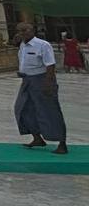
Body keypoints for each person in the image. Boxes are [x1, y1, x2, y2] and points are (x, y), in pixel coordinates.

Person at [15, 22, 68, 154]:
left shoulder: (42, 45)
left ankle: (62, 143)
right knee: (23, 109)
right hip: (27, 81)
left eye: (25, 30)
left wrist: (48, 84)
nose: (23, 33)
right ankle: (37, 137)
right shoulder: (23, 45)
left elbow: (50, 65)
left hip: (42, 80)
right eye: (20, 31)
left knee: (50, 111)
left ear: (32, 30)